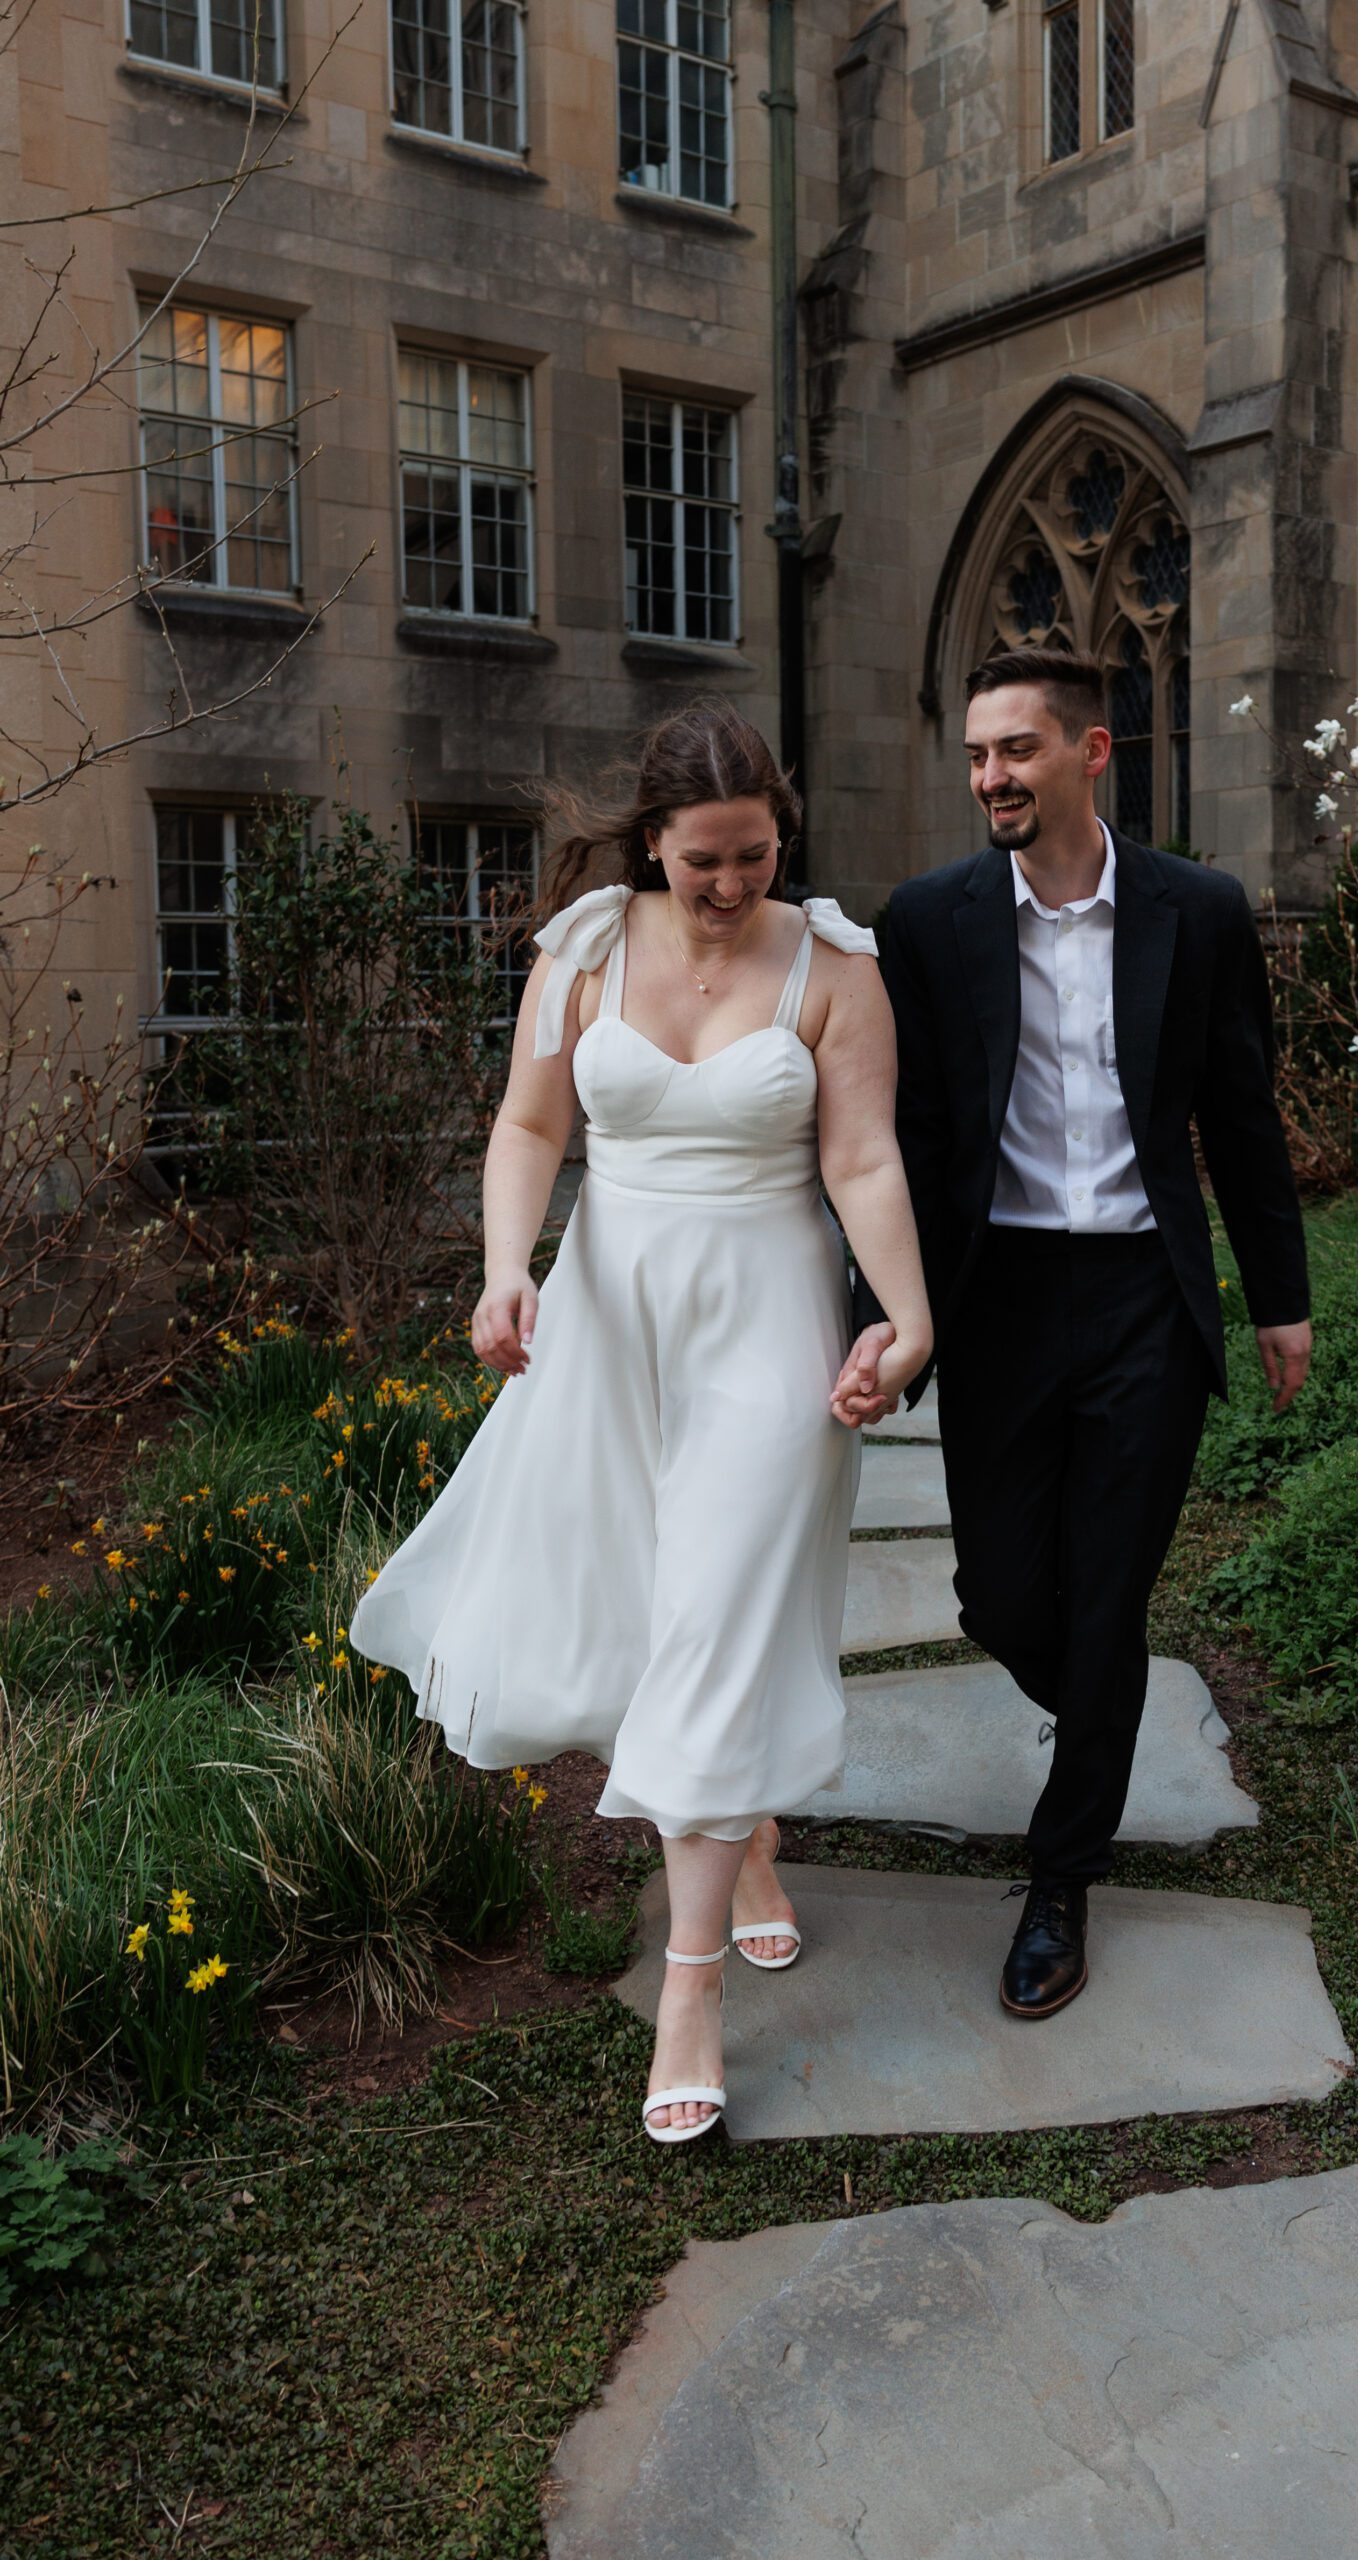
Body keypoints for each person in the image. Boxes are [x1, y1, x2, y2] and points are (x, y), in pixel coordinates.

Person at [351, 706, 931, 2144]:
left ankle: (686, 1996)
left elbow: (861, 1155)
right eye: (702, 863)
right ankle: (735, 1852)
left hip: (768, 1323)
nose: (729, 888)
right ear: (650, 844)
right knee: (645, 1604)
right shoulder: (586, 949)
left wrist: (908, 1323)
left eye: (755, 857)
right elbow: (531, 1128)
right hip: (610, 1317)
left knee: (722, 1612)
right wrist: (503, 1267)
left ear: (779, 837)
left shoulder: (837, 967)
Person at [832, 647, 1311, 2021]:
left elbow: (1243, 1114)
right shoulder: (928, 923)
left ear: (1090, 754)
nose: (990, 775)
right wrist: (884, 1312)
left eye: (1017, 751)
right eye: (978, 754)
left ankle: (1063, 1873)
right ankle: (1102, 1701)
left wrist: (1280, 1298)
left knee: (1106, 1594)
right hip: (999, 1301)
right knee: (1001, 1594)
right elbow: (903, 1144)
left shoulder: (1198, 912)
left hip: (1142, 1299)